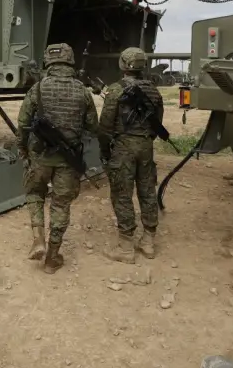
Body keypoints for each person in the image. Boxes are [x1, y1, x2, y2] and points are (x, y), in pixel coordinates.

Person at [16, 43, 99, 274]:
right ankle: (52, 258)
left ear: (48, 62)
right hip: (68, 161)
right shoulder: (82, 91)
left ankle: (37, 239)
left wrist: (23, 149)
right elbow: (93, 126)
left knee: (34, 193)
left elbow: (23, 124)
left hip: (39, 157)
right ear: (71, 61)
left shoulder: (38, 89)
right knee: (61, 204)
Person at [98, 47, 164, 263]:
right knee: (147, 190)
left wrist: (105, 151)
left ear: (123, 64)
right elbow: (157, 124)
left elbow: (105, 126)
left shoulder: (116, 90)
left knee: (122, 193)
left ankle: (126, 247)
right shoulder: (154, 91)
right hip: (146, 146)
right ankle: (148, 241)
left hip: (123, 147)